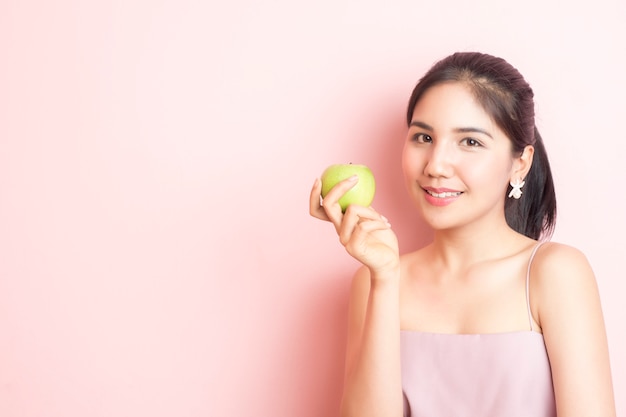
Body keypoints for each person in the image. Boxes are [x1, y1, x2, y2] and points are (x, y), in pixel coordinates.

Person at [309, 52, 616, 417]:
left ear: (520, 163)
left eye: (470, 142)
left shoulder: (554, 273)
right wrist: (385, 278)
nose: (436, 165)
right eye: (423, 136)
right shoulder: (374, 282)